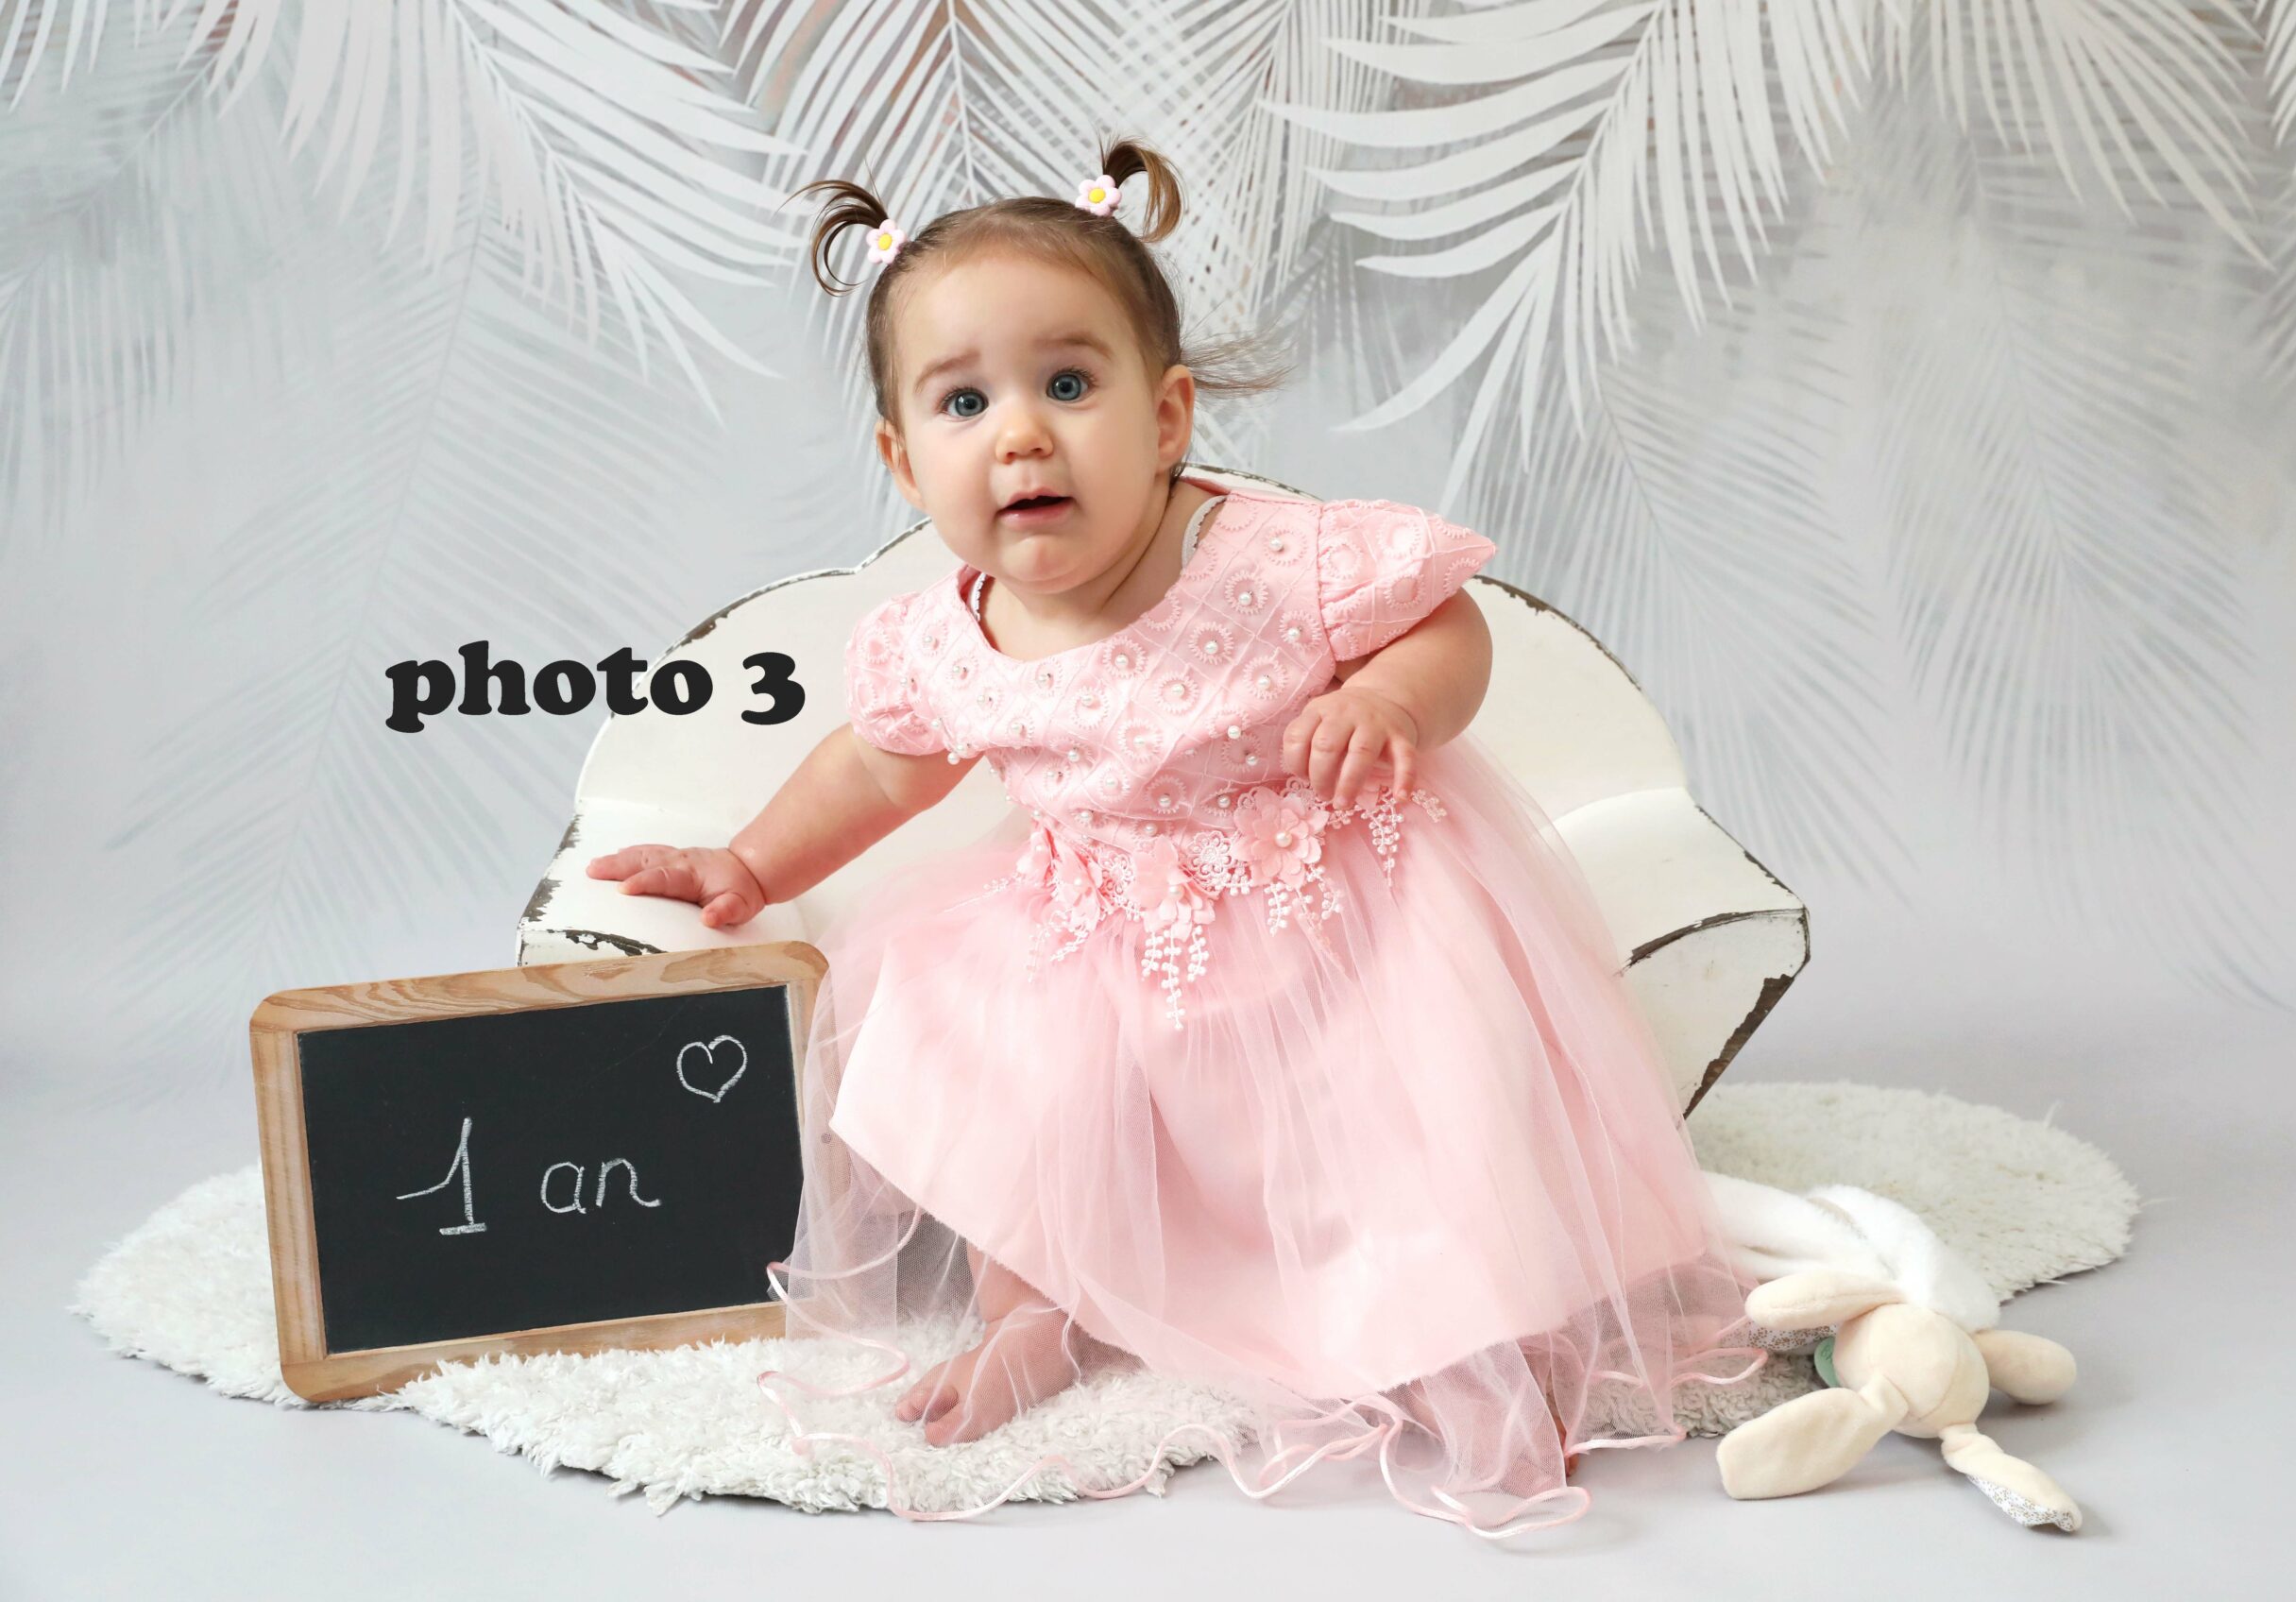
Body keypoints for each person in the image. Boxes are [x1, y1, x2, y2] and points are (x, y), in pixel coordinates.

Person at [586, 134, 1767, 1539]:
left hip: (1340, 920)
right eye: (963, 402)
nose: (1021, 434)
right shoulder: (944, 640)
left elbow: (1443, 623)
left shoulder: (1264, 557)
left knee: (1418, 1107)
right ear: (904, 460)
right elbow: (876, 771)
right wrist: (751, 863)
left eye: (1067, 385)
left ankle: (1470, 1334)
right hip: (1097, 944)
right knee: (990, 1065)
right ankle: (1036, 1308)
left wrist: (1392, 696)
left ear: (1165, 415)